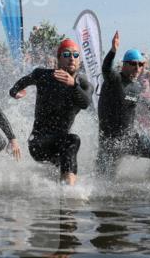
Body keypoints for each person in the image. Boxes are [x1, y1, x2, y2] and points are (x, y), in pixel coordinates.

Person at [9, 39, 93, 185]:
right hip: (38, 143)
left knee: (68, 147)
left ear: (79, 60)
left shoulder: (84, 84)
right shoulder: (43, 75)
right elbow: (19, 85)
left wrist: (73, 85)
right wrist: (15, 92)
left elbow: (85, 103)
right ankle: (69, 194)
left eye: (75, 55)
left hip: (59, 145)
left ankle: (63, 191)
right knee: (73, 140)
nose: (71, 58)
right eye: (66, 54)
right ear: (59, 58)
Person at [96, 32, 150, 176]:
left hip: (130, 138)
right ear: (124, 65)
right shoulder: (114, 79)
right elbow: (106, 69)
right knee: (104, 181)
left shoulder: (136, 86)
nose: (137, 67)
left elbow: (133, 110)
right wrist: (113, 50)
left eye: (140, 64)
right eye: (133, 64)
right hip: (110, 142)